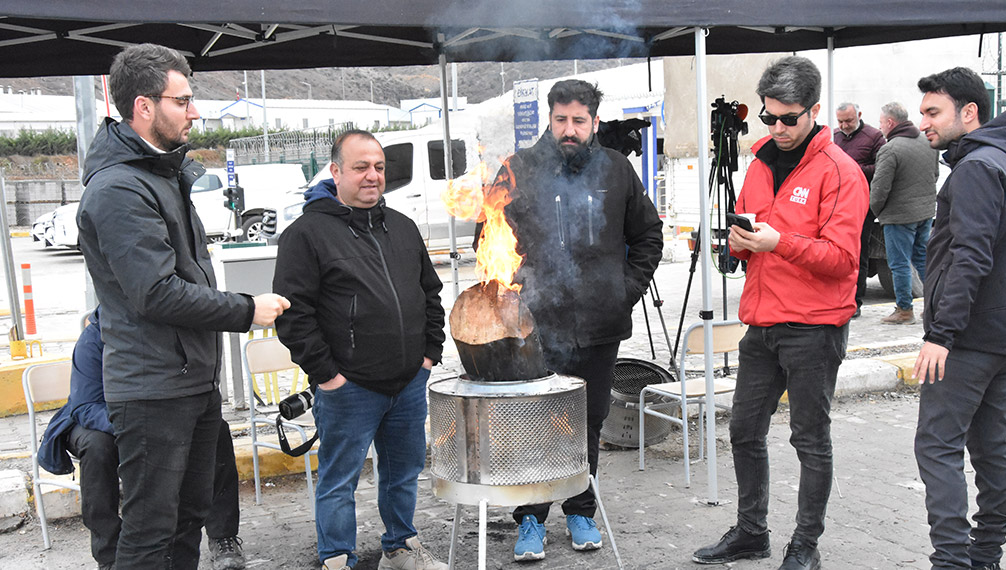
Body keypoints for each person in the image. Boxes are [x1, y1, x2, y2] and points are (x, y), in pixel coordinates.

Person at [76, 43, 289, 569]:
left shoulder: (161, 175)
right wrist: (245, 310)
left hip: (191, 382)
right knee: (150, 531)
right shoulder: (119, 188)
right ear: (144, 107)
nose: (195, 112)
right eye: (183, 101)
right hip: (152, 391)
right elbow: (156, 292)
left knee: (188, 517)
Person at [475, 79, 663, 563]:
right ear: (550, 118)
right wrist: (515, 296)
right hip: (534, 328)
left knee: (589, 421)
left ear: (594, 122)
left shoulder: (616, 169)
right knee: (534, 423)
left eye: (579, 121)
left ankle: (582, 509)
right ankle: (531, 520)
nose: (569, 129)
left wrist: (625, 291)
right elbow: (488, 238)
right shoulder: (518, 169)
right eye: (561, 119)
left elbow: (648, 236)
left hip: (600, 326)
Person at [691, 57, 867, 570]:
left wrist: (778, 242)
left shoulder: (841, 172)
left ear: (814, 111)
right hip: (761, 324)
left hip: (814, 328)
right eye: (769, 118)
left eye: (789, 118)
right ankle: (751, 533)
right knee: (743, 431)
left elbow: (843, 261)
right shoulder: (760, 164)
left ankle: (804, 546)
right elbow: (754, 241)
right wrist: (739, 243)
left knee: (809, 439)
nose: (778, 128)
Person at [273, 130, 448, 570]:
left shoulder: (403, 227)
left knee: (403, 474)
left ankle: (400, 548)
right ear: (335, 172)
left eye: (379, 167)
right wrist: (328, 375)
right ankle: (337, 557)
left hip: (408, 382)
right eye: (360, 167)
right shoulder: (307, 235)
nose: (373, 176)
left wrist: (428, 356)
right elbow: (293, 316)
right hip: (348, 388)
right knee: (339, 481)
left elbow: (430, 294)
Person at [912, 67, 1006, 570]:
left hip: (966, 338)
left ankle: (954, 562)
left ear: (969, 112)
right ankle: (984, 556)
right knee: (989, 446)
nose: (924, 122)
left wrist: (941, 333)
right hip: (1001, 334)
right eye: (921, 112)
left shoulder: (978, 168)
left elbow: (971, 257)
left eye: (933, 112)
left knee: (937, 446)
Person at [37, 310, 247, 570]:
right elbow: (85, 405)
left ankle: (223, 536)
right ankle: (109, 554)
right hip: (96, 420)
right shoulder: (93, 339)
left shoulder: (161, 333)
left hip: (150, 415)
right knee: (97, 449)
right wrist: (134, 426)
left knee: (216, 429)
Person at [870, 101, 940, 324]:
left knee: (899, 263)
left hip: (899, 217)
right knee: (922, 259)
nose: (880, 127)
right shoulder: (927, 142)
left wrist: (876, 210)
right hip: (925, 213)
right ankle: (933, 307)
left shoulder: (890, 149)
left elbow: (880, 188)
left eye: (881, 123)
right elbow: (935, 175)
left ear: (890, 122)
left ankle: (904, 310)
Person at [833, 102, 885, 318]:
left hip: (862, 204)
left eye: (849, 121)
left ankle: (855, 301)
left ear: (859, 115)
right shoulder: (834, 136)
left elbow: (883, 166)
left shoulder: (874, 136)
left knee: (858, 252)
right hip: (836, 203)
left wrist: (852, 169)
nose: (844, 125)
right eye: (841, 121)